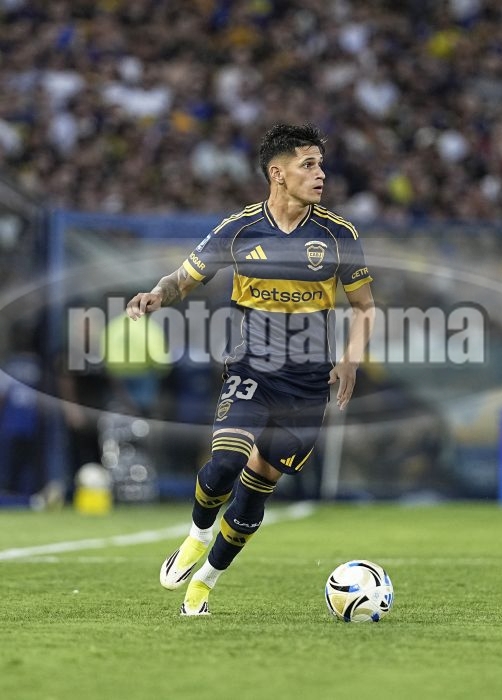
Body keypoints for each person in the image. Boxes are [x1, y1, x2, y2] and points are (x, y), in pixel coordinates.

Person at [126, 123, 375, 616]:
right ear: (277, 174)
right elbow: (183, 278)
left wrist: (351, 358)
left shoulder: (338, 235)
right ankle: (197, 537)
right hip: (251, 370)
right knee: (225, 463)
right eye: (309, 165)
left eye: (321, 165)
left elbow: (365, 306)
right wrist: (157, 294)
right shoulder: (239, 229)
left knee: (257, 489)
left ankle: (205, 583)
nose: (321, 174)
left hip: (307, 386)